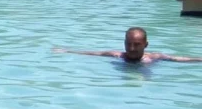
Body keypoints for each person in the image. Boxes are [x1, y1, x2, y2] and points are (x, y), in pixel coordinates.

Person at [55, 27, 202, 64]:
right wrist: (68, 51)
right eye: (128, 44)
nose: (131, 49)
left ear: (146, 45)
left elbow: (179, 59)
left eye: (137, 45)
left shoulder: (154, 57)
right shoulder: (118, 55)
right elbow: (95, 53)